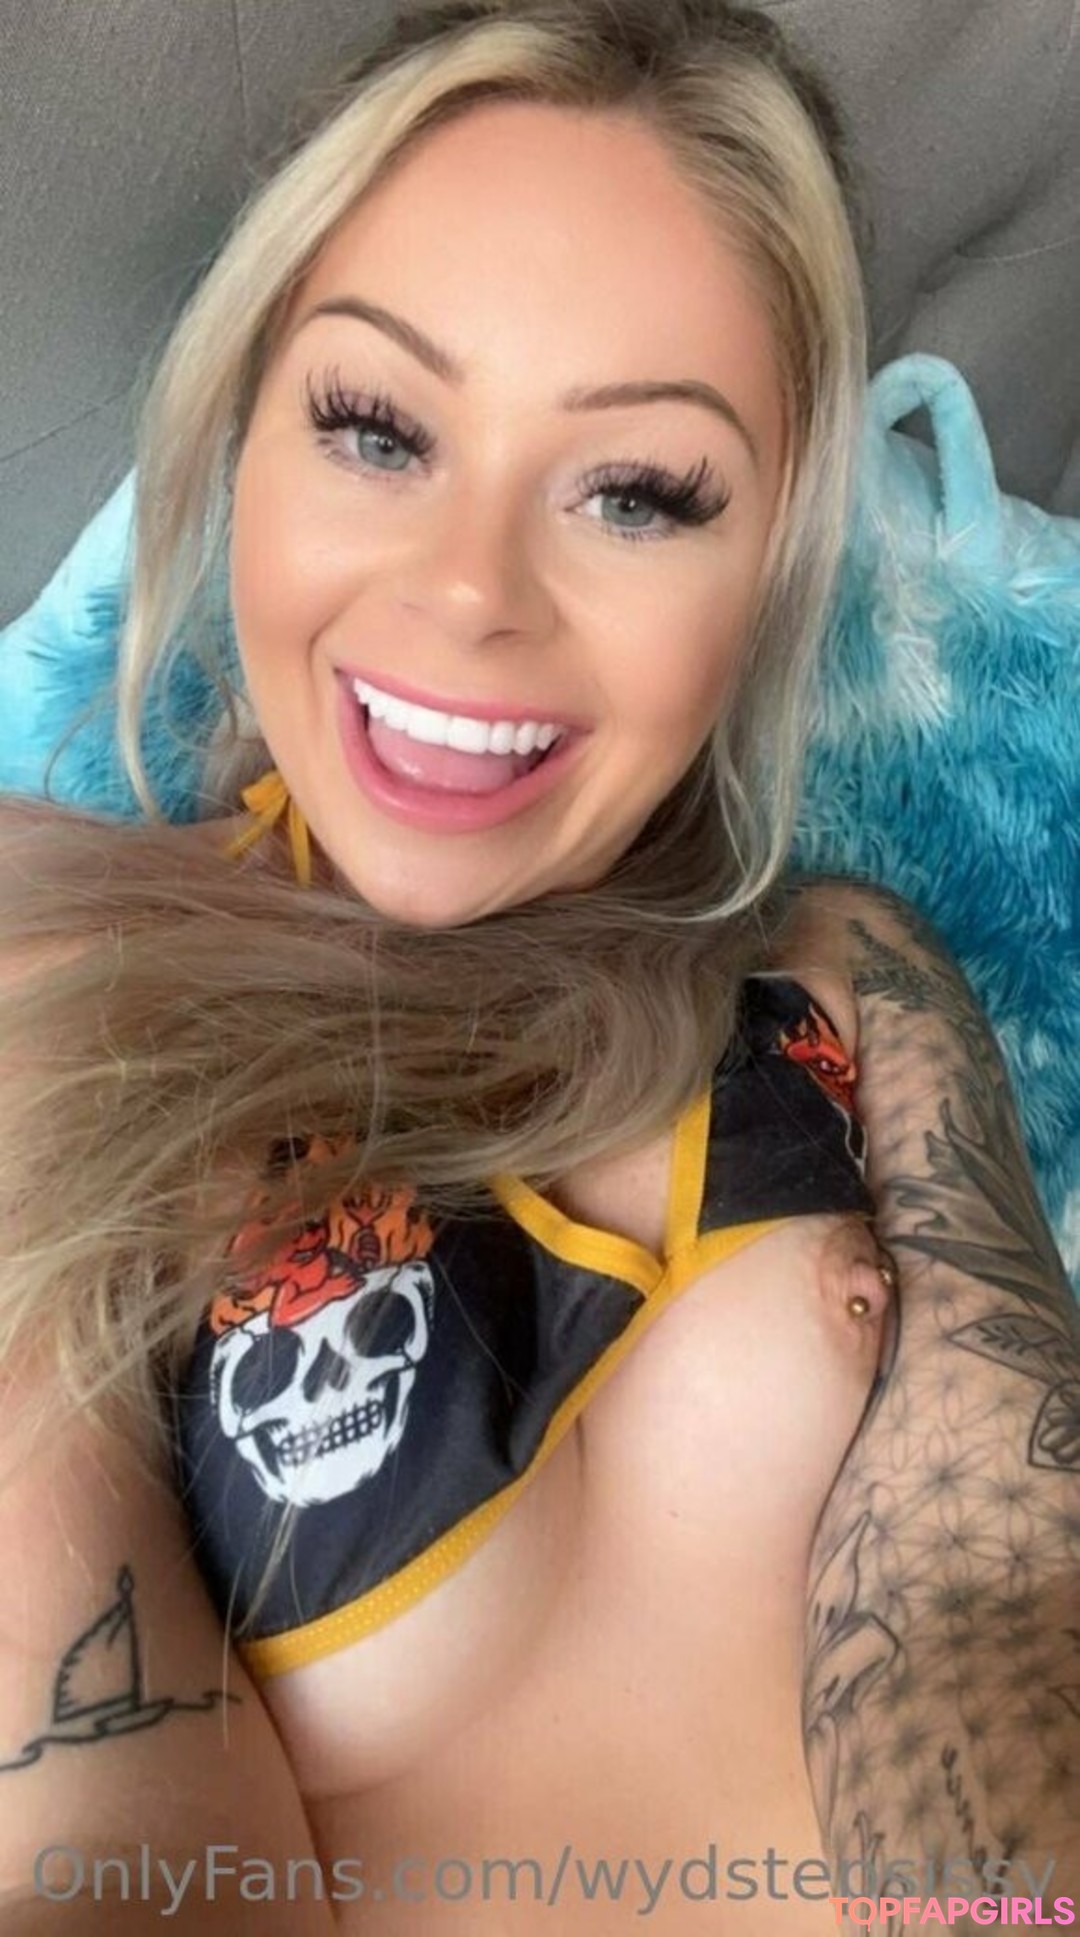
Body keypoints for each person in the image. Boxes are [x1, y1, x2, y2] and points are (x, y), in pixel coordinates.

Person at [0, 1, 1075, 1931]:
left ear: (770, 567)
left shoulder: (850, 972)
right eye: (378, 429)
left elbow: (1001, 1562)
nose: (473, 590)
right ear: (244, 435)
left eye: (638, 491)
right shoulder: (54, 976)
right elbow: (80, 1803)